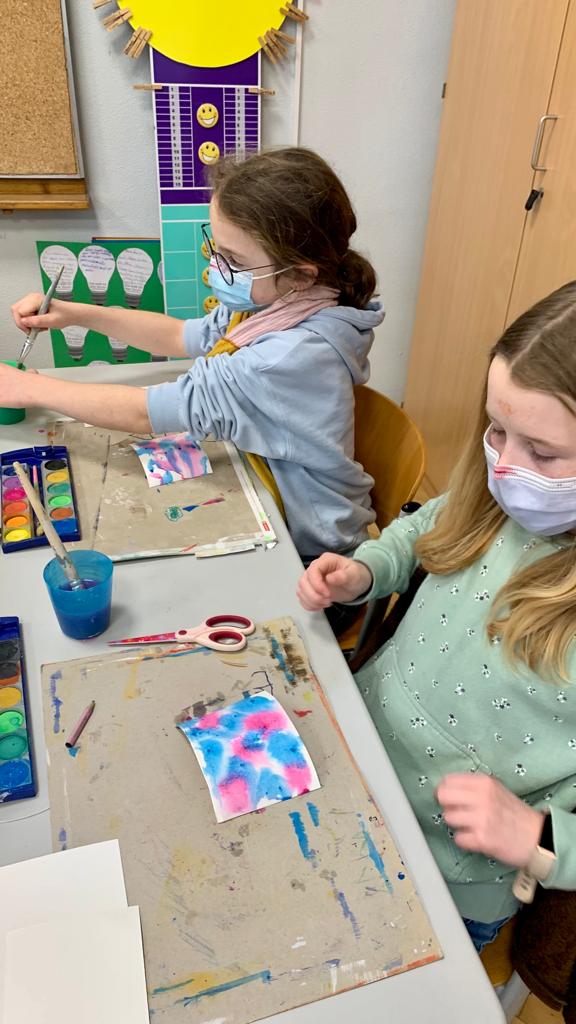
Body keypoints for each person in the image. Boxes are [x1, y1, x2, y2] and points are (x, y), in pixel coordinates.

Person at [298, 281, 576, 952]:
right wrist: (368, 570)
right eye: (497, 430)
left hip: (451, 879)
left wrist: (541, 838)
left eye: (542, 453)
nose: (504, 467)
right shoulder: (495, 494)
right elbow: (424, 530)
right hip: (355, 762)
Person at [5, 147, 384, 563]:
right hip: (271, 492)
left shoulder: (285, 356)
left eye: (234, 259)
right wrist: (76, 313)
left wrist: (30, 389)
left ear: (299, 274)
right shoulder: (275, 303)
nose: (217, 267)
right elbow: (180, 335)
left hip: (313, 551)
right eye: (216, 248)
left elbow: (144, 412)